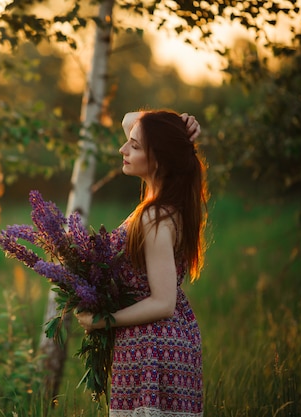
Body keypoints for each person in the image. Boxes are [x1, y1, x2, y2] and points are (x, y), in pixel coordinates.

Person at [75, 110, 207, 416]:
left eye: (133, 146)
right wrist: (179, 124)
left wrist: (102, 321)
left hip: (153, 347)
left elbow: (163, 302)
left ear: (158, 159)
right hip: (153, 343)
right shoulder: (166, 205)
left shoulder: (155, 217)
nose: (123, 149)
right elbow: (128, 119)